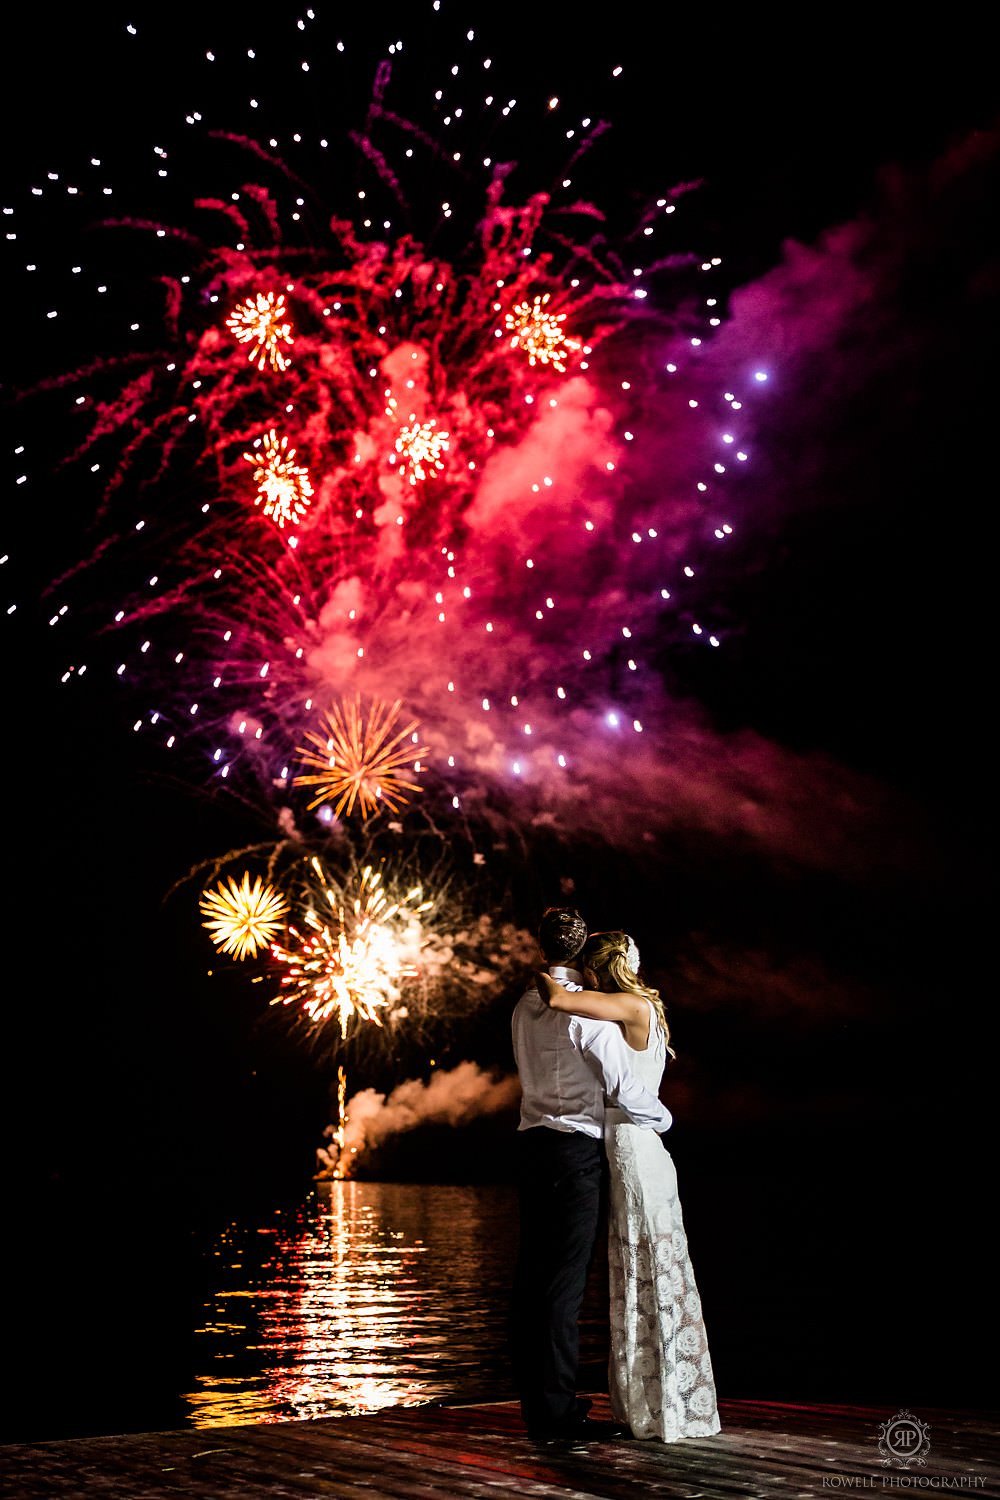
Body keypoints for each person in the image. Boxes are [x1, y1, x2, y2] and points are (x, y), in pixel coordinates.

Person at [538, 930, 721, 1442]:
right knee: (641, 1267)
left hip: (632, 1144)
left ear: (596, 970)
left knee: (645, 1266)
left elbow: (555, 997)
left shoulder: (627, 1005)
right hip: (632, 1146)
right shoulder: (634, 1006)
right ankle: (657, 1400)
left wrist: (546, 964)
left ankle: (661, 1406)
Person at [510, 907, 674, 1443]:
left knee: (532, 1278)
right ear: (580, 954)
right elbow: (625, 1089)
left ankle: (538, 1404)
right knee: (563, 1285)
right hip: (573, 1150)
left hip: (530, 1144)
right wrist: (662, 1119)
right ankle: (556, 1415)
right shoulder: (587, 1016)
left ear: (542, 947)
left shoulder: (524, 1005)